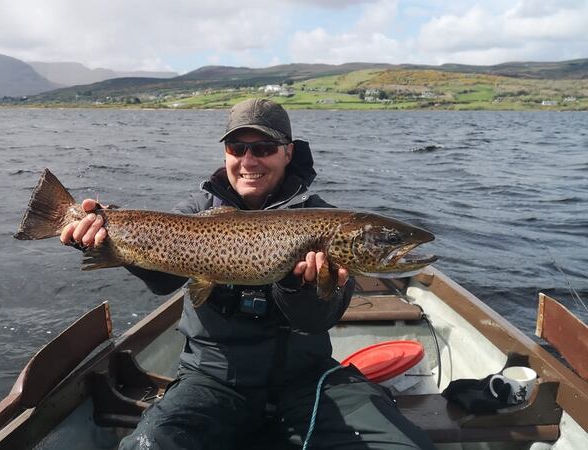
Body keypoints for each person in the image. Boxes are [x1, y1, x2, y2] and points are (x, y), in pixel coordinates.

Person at [61, 98, 435, 450]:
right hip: (212, 381)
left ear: (288, 152)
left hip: (307, 379)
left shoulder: (324, 218)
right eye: (237, 148)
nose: (248, 160)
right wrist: (103, 240)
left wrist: (293, 283)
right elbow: (164, 280)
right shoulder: (197, 209)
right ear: (225, 153)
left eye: (264, 148)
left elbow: (320, 318)